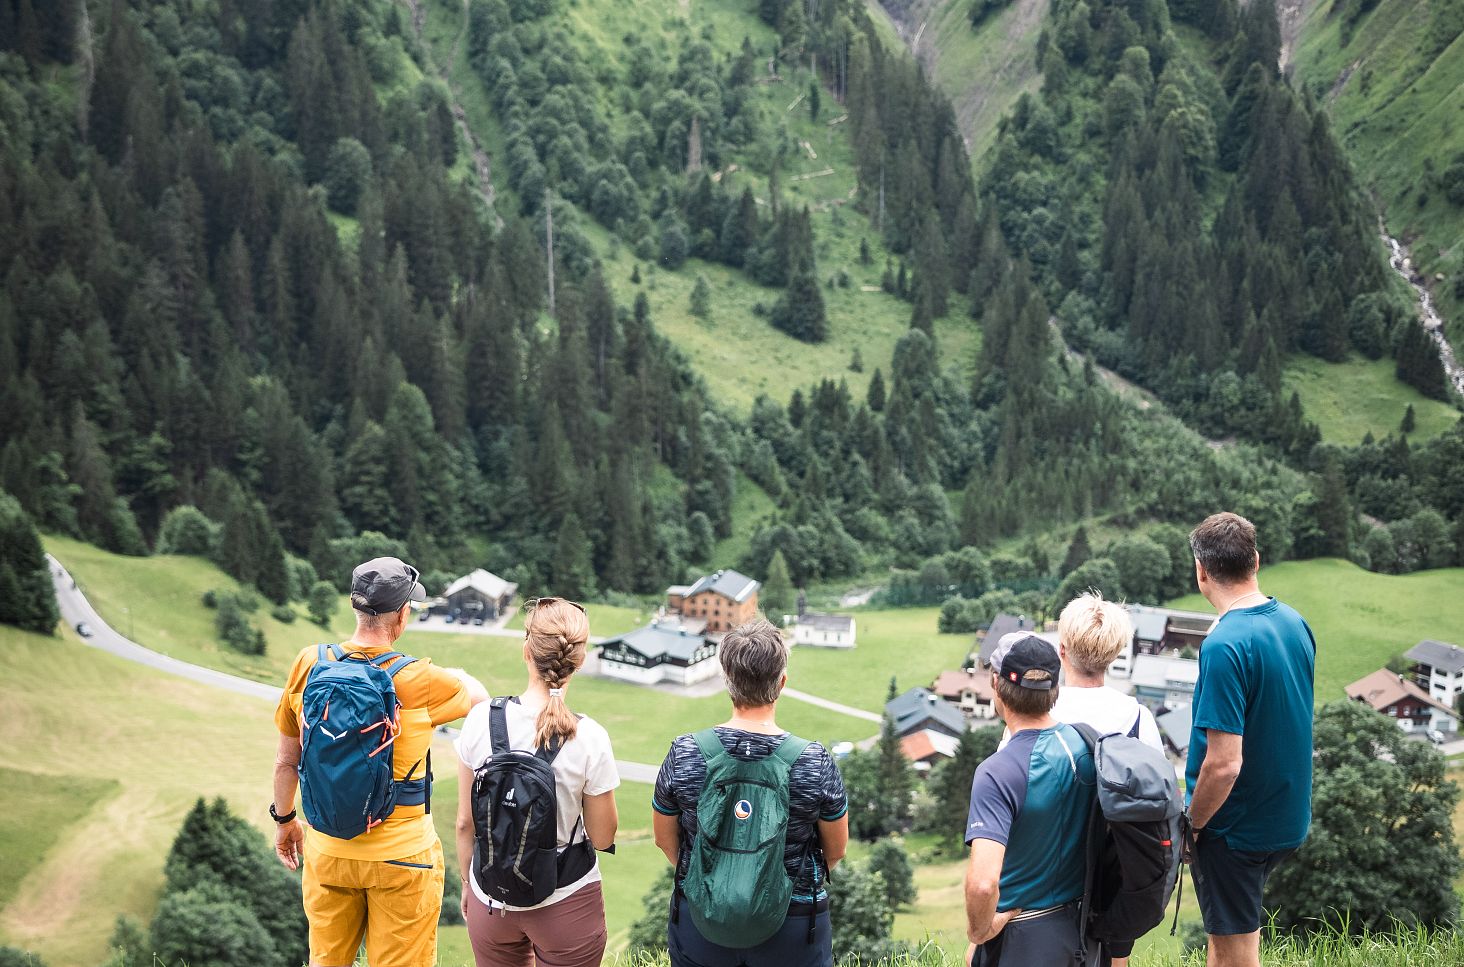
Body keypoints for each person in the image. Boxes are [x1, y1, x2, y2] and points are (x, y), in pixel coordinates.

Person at [271, 556, 489, 967]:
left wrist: (285, 822)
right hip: (402, 858)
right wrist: (454, 672)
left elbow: (286, 761)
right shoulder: (420, 678)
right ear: (402, 614)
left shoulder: (308, 663)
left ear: (355, 606)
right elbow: (478, 696)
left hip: (329, 852)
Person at [653, 618, 849, 967]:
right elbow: (836, 850)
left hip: (701, 919)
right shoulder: (814, 761)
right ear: (782, 682)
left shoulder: (685, 752)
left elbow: (666, 842)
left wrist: (715, 882)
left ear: (726, 681)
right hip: (793, 921)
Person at [455, 596, 620, 967]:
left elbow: (466, 822)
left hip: (491, 897)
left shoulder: (481, 719)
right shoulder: (590, 737)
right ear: (578, 660)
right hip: (567, 901)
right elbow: (604, 836)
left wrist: (469, 887)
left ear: (526, 650)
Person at [1184, 512, 1315, 967]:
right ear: (1255, 561)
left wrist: (1192, 825)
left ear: (1202, 572)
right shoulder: (1294, 621)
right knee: (1225, 942)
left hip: (1235, 828)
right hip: (1286, 815)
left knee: (1238, 955)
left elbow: (1223, 764)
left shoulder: (1224, 645)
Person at [965, 632, 1098, 967]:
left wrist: (980, 932)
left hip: (1021, 937)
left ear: (996, 683)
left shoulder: (998, 771)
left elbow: (983, 884)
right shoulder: (1086, 744)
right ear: (1055, 689)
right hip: (1083, 931)